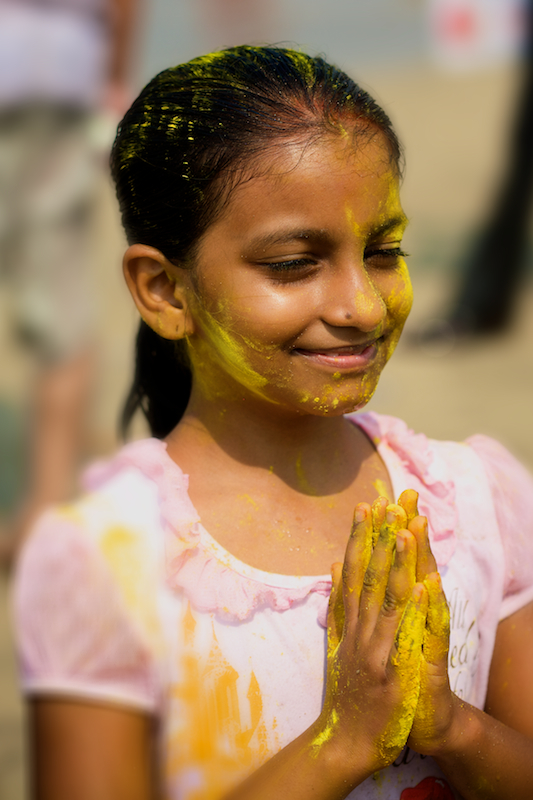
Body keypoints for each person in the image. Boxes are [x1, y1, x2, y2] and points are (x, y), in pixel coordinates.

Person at [13, 46, 533, 800]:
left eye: (383, 250)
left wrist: (453, 728)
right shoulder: (107, 559)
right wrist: (339, 742)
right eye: (293, 264)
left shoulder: (476, 499)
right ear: (163, 290)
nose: (361, 305)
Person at [0, 0, 138, 566]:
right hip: (63, 81)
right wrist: (113, 85)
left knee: (57, 312)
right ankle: (46, 508)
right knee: (62, 312)